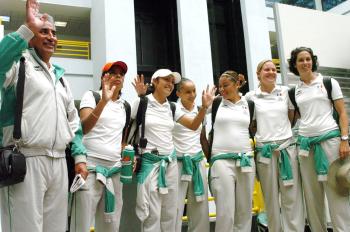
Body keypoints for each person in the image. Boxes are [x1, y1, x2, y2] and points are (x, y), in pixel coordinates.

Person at [0, 0, 88, 231]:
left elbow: (74, 123)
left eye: (54, 32)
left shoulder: (62, 79)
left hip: (59, 161)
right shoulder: (18, 64)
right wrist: (26, 27)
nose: (51, 36)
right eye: (43, 31)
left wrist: (79, 158)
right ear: (31, 37)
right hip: (24, 159)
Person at [132, 69, 215, 232]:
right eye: (166, 80)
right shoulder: (142, 103)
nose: (170, 84)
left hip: (170, 164)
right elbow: (128, 128)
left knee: (170, 213)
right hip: (149, 163)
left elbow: (193, 126)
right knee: (151, 213)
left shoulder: (171, 107)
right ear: (155, 81)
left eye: (172, 81)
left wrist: (204, 107)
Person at [288, 47, 350, 231]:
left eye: (308, 59)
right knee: (312, 197)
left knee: (337, 193)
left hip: (331, 142)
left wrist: (345, 139)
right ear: (294, 64)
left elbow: (342, 113)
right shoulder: (293, 92)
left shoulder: (328, 82)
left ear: (313, 61)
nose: (305, 63)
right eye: (301, 60)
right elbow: (291, 120)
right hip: (305, 147)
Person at [245, 60, 304, 231]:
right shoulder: (251, 97)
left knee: (292, 197)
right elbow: (252, 124)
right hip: (264, 152)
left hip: (287, 149)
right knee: (270, 199)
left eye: (273, 69)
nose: (271, 72)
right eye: (266, 70)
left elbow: (292, 118)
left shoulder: (286, 92)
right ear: (258, 74)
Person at [70, 61, 129, 232]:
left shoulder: (124, 106)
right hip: (90, 169)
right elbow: (84, 128)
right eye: (113, 72)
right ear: (103, 77)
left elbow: (121, 140)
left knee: (111, 225)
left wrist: (126, 154)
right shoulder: (92, 96)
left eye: (121, 73)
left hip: (115, 172)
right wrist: (103, 102)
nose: (118, 76)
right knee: (80, 224)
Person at [209, 71, 255, 232]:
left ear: (237, 85)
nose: (222, 89)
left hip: (246, 160)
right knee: (225, 211)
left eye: (226, 85)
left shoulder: (249, 104)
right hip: (221, 160)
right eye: (220, 86)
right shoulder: (215, 103)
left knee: (244, 210)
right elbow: (194, 113)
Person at [173, 78, 210, 232]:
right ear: (178, 93)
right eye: (188, 91)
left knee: (201, 207)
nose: (192, 94)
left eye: (194, 90)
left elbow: (202, 137)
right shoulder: (173, 109)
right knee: (175, 207)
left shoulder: (201, 109)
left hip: (197, 161)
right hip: (177, 163)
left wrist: (210, 159)